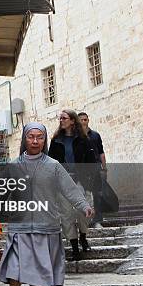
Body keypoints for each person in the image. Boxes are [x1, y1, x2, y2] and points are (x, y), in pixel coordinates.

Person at [0, 122, 94, 286]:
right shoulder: (13, 166)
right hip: (20, 225)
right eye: (31, 136)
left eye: (39, 137)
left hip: (45, 224)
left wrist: (84, 205)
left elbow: (70, 189)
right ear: (24, 139)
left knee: (37, 269)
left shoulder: (53, 166)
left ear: (44, 139)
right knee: (15, 264)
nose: (35, 141)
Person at [48, 109, 101, 261]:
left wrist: (91, 181)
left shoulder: (83, 139)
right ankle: (74, 247)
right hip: (62, 183)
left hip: (81, 181)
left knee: (85, 211)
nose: (61, 120)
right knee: (66, 215)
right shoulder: (56, 140)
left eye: (64, 118)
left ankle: (83, 236)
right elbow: (51, 163)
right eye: (60, 118)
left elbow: (92, 161)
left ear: (72, 121)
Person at [78, 112, 107, 229]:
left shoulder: (95, 135)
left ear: (88, 120)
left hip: (95, 169)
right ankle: (84, 221)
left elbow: (101, 153)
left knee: (97, 195)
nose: (83, 122)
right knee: (82, 195)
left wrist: (104, 168)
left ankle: (97, 221)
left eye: (85, 119)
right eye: (81, 120)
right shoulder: (75, 137)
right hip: (81, 171)